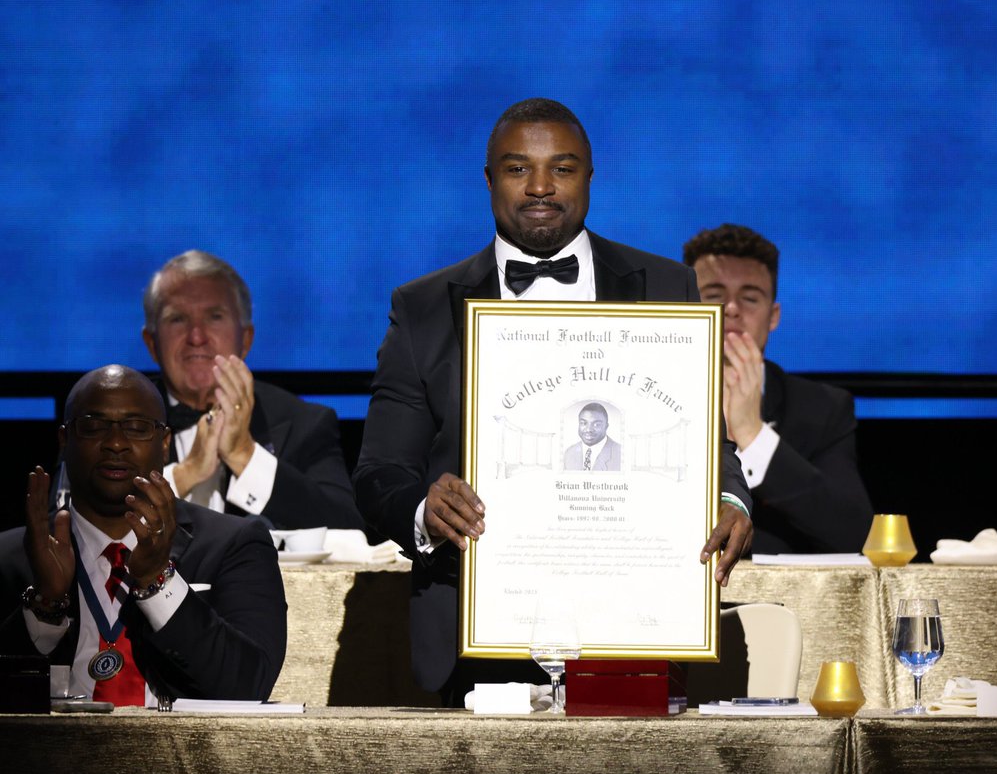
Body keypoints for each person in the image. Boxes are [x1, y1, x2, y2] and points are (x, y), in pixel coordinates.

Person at [354, 98, 753, 705]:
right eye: (518, 169)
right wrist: (423, 510)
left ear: (590, 177)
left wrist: (728, 497)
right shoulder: (424, 308)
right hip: (475, 639)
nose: (540, 187)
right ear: (489, 180)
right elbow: (379, 472)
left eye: (562, 168)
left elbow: (704, 441)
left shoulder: (666, 286)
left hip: (636, 625)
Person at [0, 365, 287, 704]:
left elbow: (247, 688)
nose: (116, 443)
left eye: (137, 428)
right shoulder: (12, 556)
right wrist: (45, 606)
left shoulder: (233, 545)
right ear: (65, 440)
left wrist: (158, 580)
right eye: (94, 426)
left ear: (165, 443)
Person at [683, 223, 873, 554]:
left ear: (773, 316)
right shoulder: (645, 393)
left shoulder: (823, 408)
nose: (731, 309)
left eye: (749, 297)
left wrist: (752, 434)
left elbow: (854, 535)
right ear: (686, 305)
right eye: (714, 295)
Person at [141, 250, 362, 529]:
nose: (196, 337)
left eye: (214, 316)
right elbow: (84, 526)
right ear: (152, 343)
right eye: (177, 319)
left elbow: (348, 531)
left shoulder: (304, 423)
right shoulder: (117, 424)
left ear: (246, 339)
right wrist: (185, 474)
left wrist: (244, 454)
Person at [562, 402, 621, 472]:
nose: (588, 429)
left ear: (606, 426)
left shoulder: (621, 454)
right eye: (584, 423)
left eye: (596, 424)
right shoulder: (569, 453)